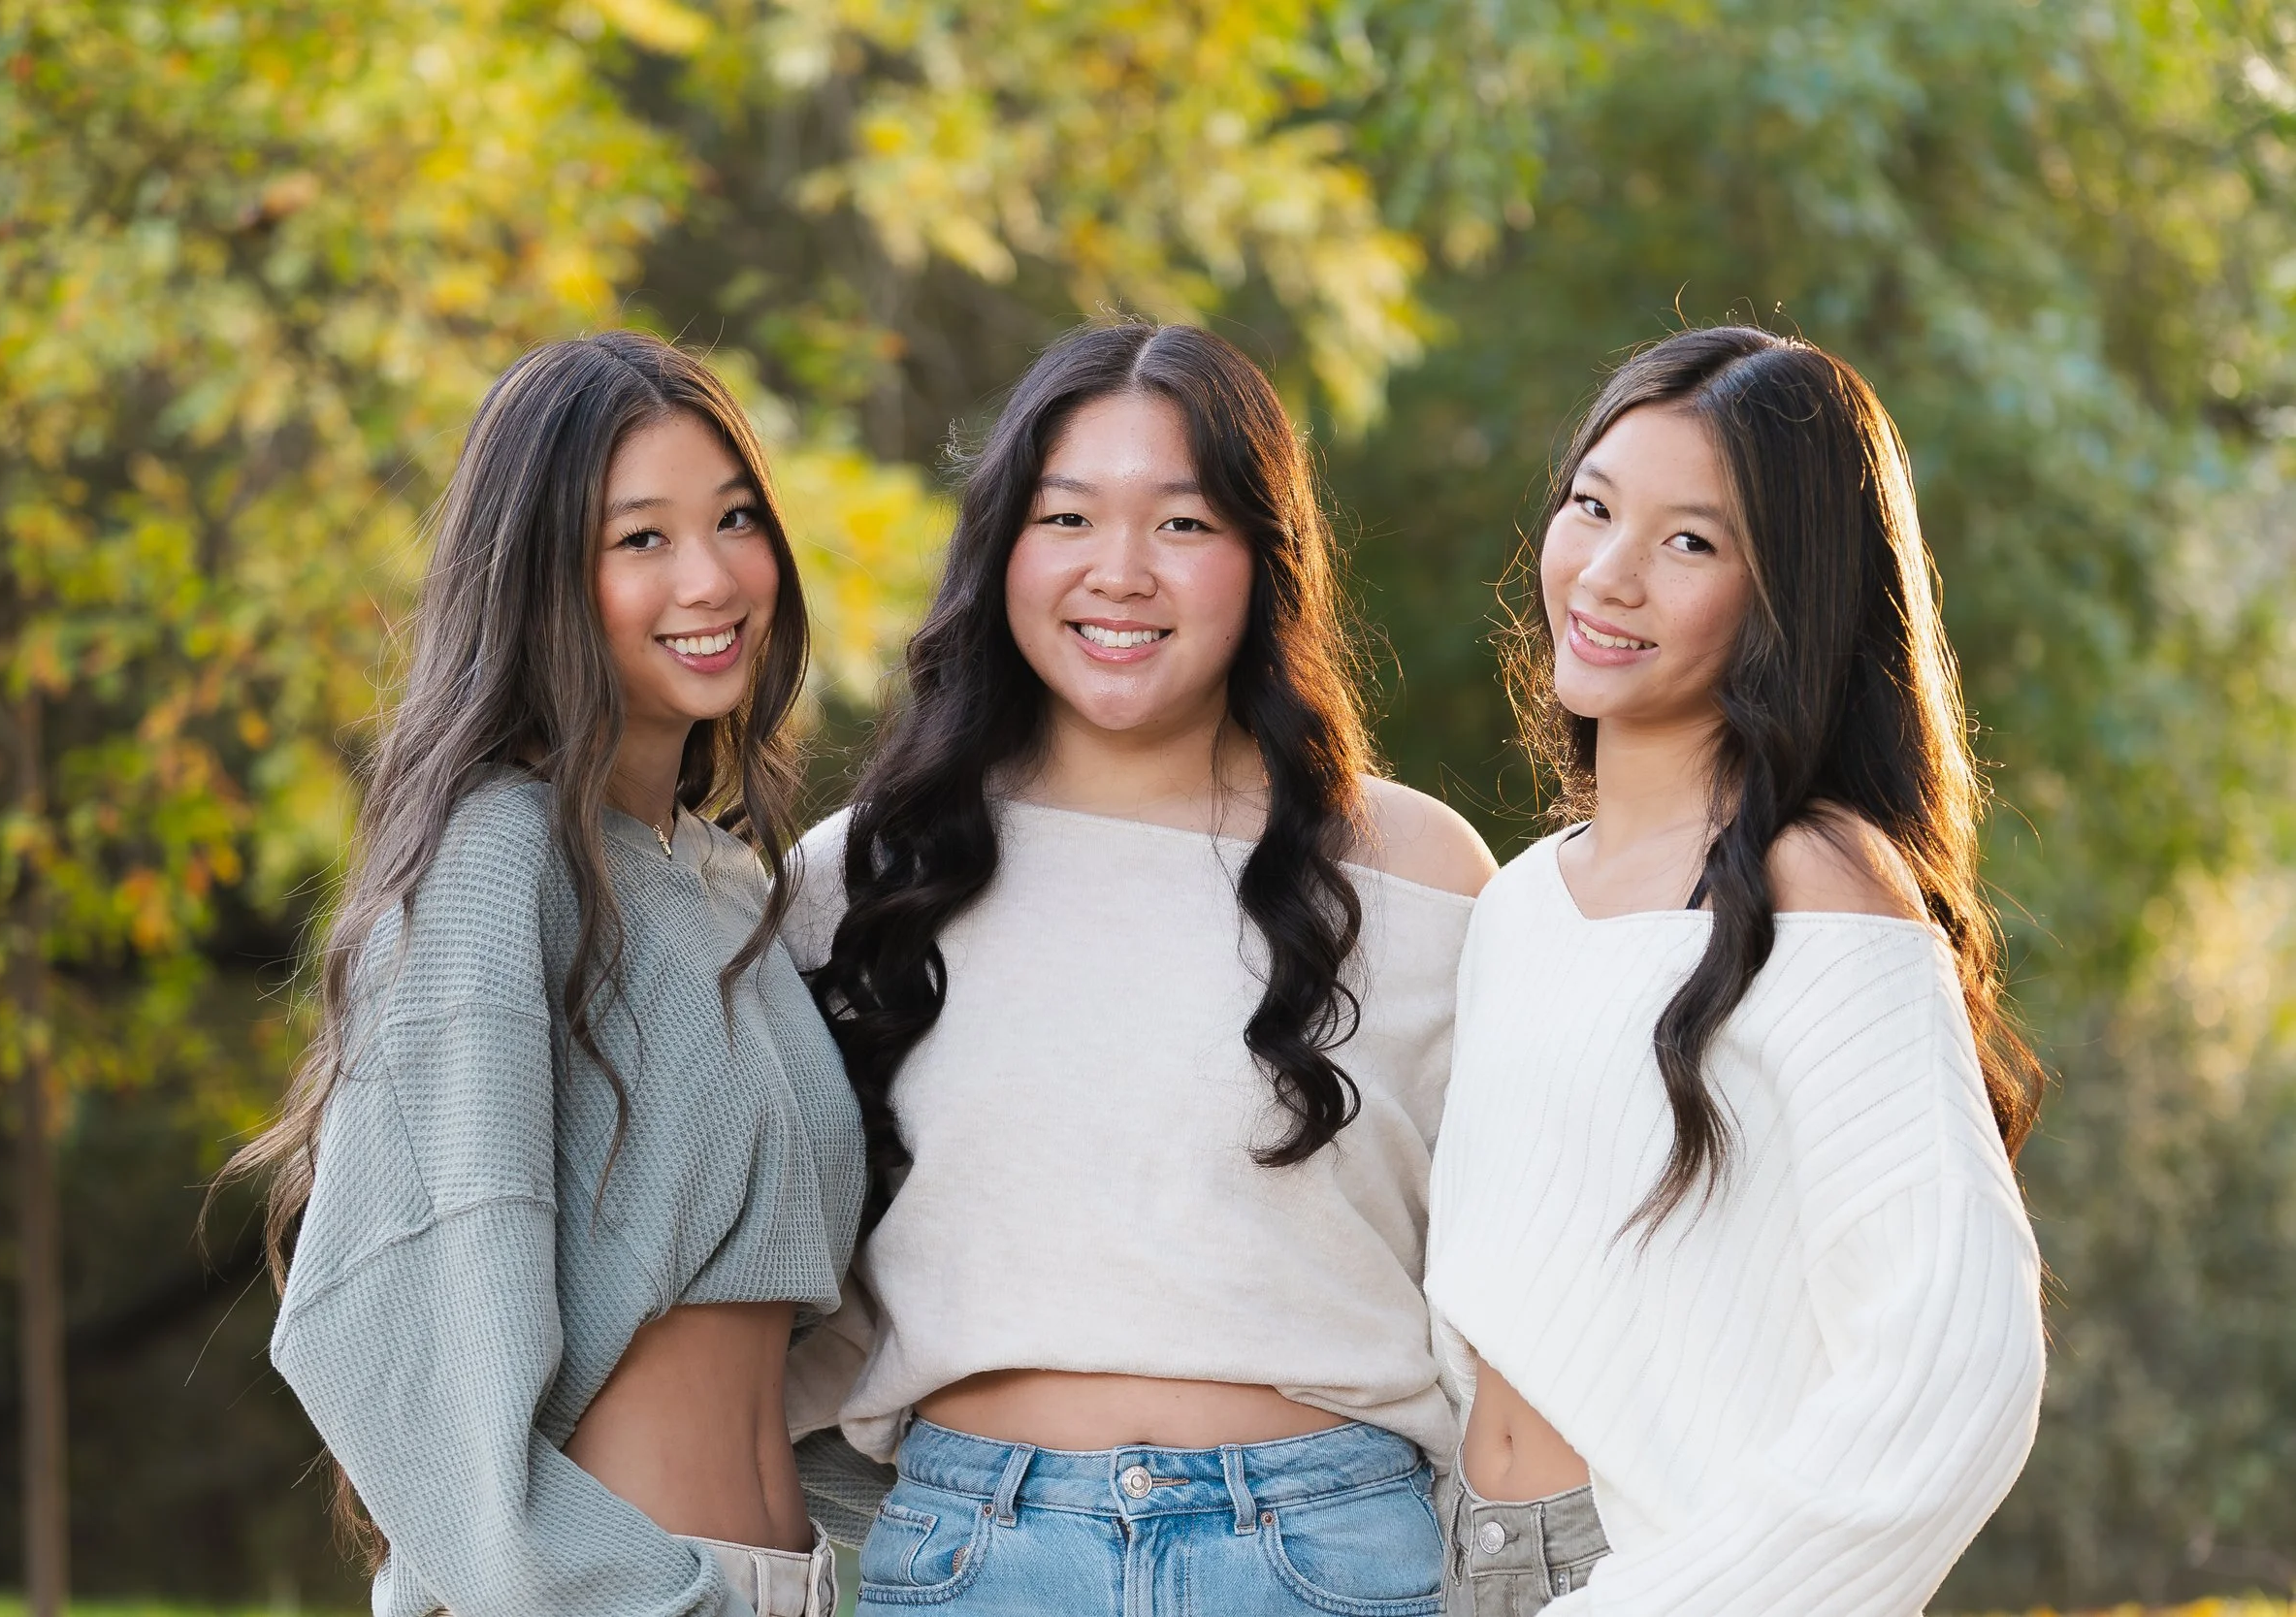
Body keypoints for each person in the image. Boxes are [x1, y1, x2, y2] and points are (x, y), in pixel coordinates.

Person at [782, 320, 1494, 1615]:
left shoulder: (1421, 872)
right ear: (1002, 547)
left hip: (1329, 1553)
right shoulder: (861, 877)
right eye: (1067, 517)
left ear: (1264, 559)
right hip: (968, 1553)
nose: (1120, 572)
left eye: (1183, 523)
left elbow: (1521, 1287)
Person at [230, 333, 864, 1617]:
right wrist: (646, 1595)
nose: (711, 575)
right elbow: (377, 1309)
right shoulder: (496, 857)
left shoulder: (734, 884)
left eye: (736, 519)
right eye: (642, 539)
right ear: (541, 578)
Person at [1425, 326, 2047, 1616]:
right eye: (1591, 507)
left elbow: (1961, 1360)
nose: (1605, 573)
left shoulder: (1817, 879)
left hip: (1665, 1574)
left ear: (1786, 597)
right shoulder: (1521, 904)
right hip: (1454, 1564)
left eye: (1689, 542)